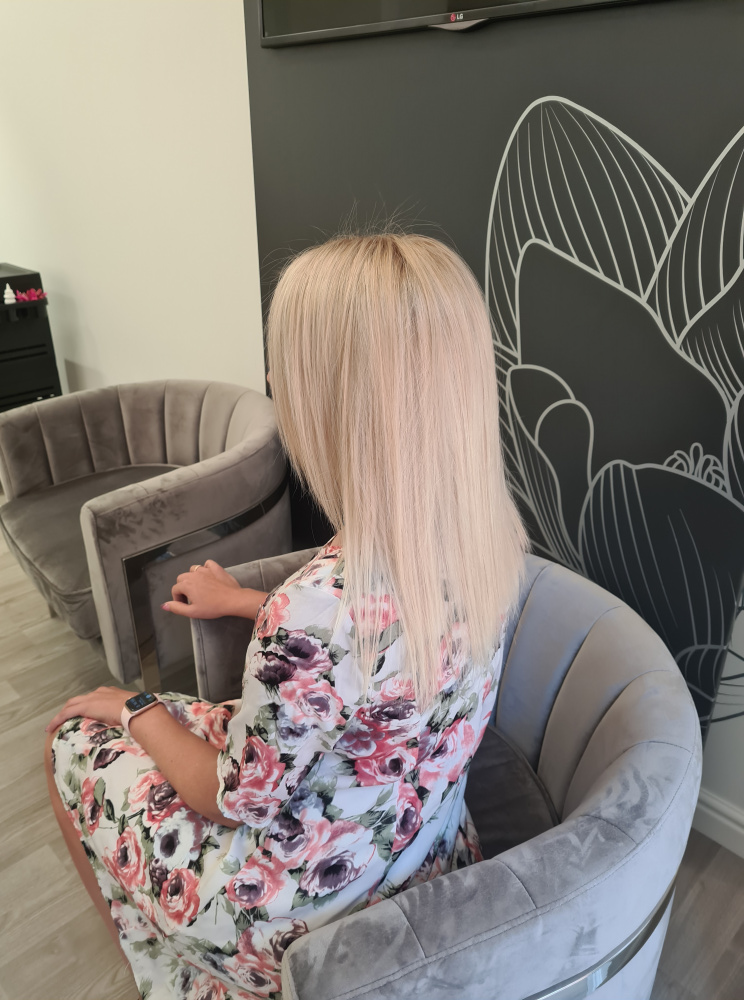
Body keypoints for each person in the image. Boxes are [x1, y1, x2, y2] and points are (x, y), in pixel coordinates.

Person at [44, 232, 527, 1000]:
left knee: (71, 736)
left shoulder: (313, 612)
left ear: (335, 404)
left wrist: (133, 708)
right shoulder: (490, 540)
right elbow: (375, 646)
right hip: (418, 848)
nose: (271, 380)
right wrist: (249, 604)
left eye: (286, 370)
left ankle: (173, 971)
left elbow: (232, 798)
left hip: (299, 912)